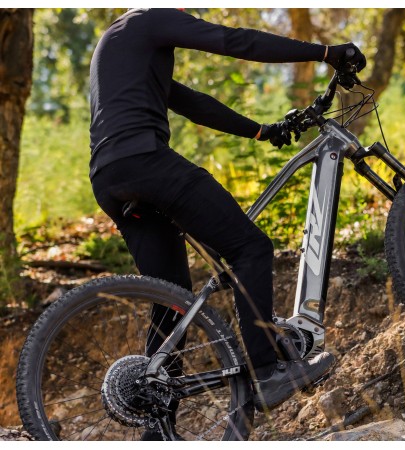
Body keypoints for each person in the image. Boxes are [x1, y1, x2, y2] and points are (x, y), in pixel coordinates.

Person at [88, 7, 366, 436]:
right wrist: (326, 52)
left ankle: (157, 428)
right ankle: (268, 372)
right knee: (250, 248)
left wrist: (261, 131)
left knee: (172, 298)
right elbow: (236, 42)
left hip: (109, 177)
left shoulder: (119, 44)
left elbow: (190, 102)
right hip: (146, 162)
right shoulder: (149, 19)